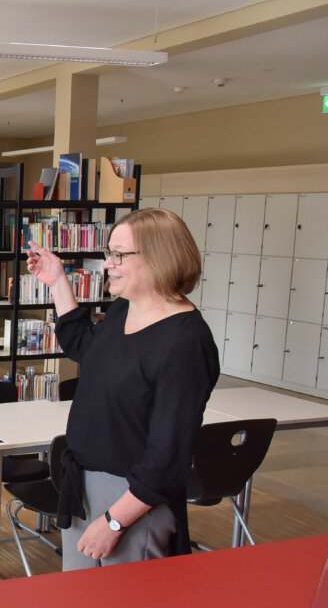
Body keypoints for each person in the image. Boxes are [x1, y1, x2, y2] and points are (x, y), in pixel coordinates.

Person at [26, 207, 219, 569]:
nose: (108, 263)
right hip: (83, 482)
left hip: (133, 501)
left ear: (160, 258)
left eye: (119, 255)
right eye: (108, 253)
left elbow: (168, 457)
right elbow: (82, 344)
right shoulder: (122, 310)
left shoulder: (185, 342)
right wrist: (57, 281)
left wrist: (115, 520)